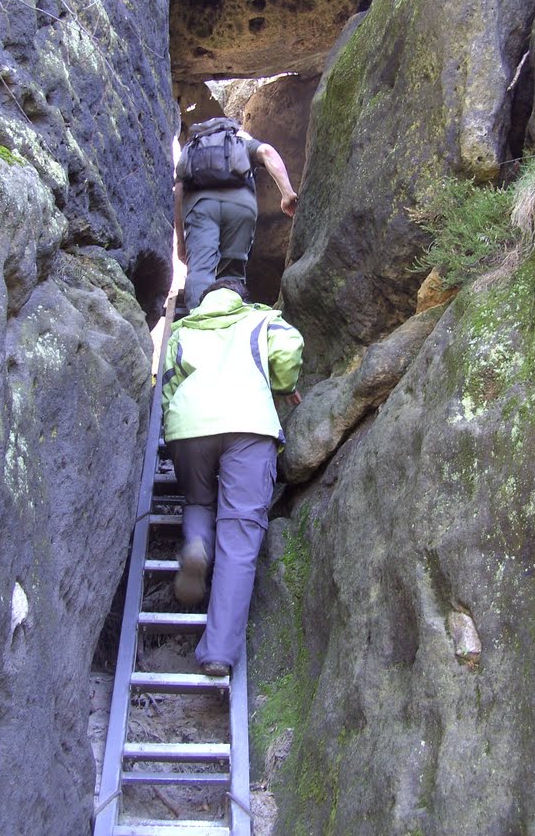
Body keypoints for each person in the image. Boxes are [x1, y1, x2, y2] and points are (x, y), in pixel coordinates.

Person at [161, 278, 304, 676]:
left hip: (189, 425)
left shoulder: (184, 329)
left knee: (198, 502)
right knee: (240, 534)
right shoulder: (261, 320)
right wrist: (283, 384)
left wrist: (177, 425)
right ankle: (218, 653)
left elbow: (168, 384)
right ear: (242, 299)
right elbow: (290, 345)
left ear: (205, 301)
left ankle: (196, 546)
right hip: (248, 424)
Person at [174, 118, 299, 310]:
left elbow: (179, 193)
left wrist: (181, 243)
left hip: (201, 206)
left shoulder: (191, 148)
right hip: (240, 206)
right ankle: (231, 317)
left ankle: (199, 320)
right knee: (232, 271)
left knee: (200, 269)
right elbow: (267, 152)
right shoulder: (239, 141)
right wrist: (287, 193)